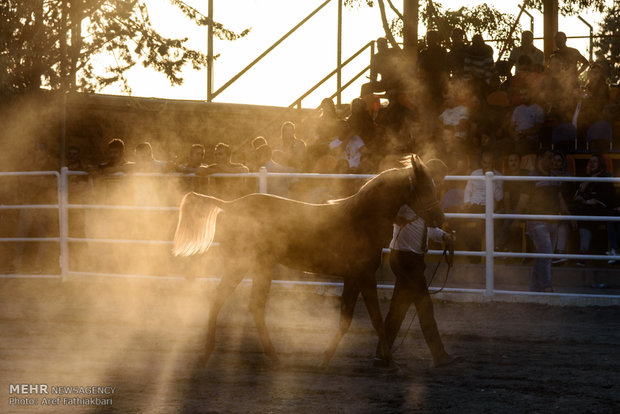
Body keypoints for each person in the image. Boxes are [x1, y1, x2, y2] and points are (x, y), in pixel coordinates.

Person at [374, 158, 461, 368]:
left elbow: (426, 227)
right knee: (423, 308)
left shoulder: (420, 196)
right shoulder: (412, 194)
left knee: (399, 309)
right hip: (408, 259)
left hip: (405, 257)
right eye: (439, 179)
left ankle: (382, 354)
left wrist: (443, 237)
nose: (439, 183)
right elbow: (394, 212)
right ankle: (438, 355)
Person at [516, 149, 572, 292]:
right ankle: (546, 286)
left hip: (553, 221)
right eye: (549, 158)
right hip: (537, 220)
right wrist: (516, 219)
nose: (552, 160)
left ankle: (534, 288)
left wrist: (569, 216)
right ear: (540, 158)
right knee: (546, 253)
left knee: (543, 255)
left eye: (553, 158)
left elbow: (559, 198)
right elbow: (523, 200)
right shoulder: (531, 177)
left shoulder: (554, 177)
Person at [572, 154, 616, 266]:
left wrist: (585, 200)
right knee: (581, 213)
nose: (592, 164)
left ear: (600, 164)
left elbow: (602, 200)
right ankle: (583, 253)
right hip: (586, 208)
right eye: (590, 162)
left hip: (601, 209)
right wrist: (588, 182)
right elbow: (577, 195)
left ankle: (583, 253)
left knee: (584, 214)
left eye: (595, 162)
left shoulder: (606, 178)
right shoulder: (587, 176)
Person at [496, 152, 530, 253]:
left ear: (520, 162)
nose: (513, 163)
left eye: (515, 160)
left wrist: (513, 215)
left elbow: (524, 199)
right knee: (495, 217)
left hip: (524, 207)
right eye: (511, 161)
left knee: (508, 220)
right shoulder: (506, 177)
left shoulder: (526, 175)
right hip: (510, 208)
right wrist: (507, 212)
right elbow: (506, 197)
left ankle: (499, 247)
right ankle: (503, 247)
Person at [509, 86, 544, 156]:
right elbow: (510, 127)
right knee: (502, 144)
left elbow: (537, 129)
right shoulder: (517, 109)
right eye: (521, 95)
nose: (523, 97)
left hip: (530, 139)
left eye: (525, 94)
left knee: (521, 145)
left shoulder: (538, 109)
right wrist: (514, 135)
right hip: (516, 138)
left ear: (531, 94)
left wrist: (522, 133)